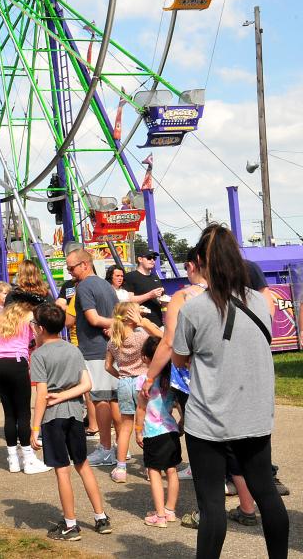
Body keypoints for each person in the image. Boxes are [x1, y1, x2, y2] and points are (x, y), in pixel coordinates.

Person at [171, 224, 288, 558]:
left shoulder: (193, 308)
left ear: (202, 263)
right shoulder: (261, 302)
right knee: (266, 493)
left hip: (208, 421)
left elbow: (179, 357)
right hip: (253, 415)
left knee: (211, 506)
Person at [29, 303, 112, 541]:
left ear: (41, 328)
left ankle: (70, 524)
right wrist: (67, 395)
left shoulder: (40, 355)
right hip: (75, 414)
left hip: (53, 418)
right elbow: (87, 385)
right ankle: (100, 517)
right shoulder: (73, 350)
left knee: (62, 471)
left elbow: (42, 395)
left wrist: (35, 428)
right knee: (82, 464)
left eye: (35, 324)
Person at [0, 293, 50, 475]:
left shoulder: (2, 318)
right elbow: (39, 336)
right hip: (18, 363)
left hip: (0, 363)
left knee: (9, 414)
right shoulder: (29, 317)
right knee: (23, 413)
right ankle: (28, 458)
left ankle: (13, 460)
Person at [67, 249, 119, 466]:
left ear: (85, 264)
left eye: (72, 268)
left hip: (94, 349)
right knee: (114, 399)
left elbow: (93, 318)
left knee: (100, 400)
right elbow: (117, 314)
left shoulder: (85, 286)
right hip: (110, 347)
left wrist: (116, 324)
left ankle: (106, 448)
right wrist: (117, 325)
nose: (70, 273)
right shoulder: (106, 285)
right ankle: (118, 446)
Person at [105, 301, 161, 483]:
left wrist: (121, 374)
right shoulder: (141, 337)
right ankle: (149, 467)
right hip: (142, 381)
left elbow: (107, 366)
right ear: (131, 318)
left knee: (125, 427)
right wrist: (144, 323)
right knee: (147, 425)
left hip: (124, 382)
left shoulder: (113, 340)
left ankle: (121, 468)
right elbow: (161, 337)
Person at [135, 336, 181, 528]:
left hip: (153, 433)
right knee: (172, 471)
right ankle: (170, 510)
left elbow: (141, 408)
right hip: (171, 430)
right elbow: (179, 405)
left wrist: (138, 431)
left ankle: (160, 515)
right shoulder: (171, 379)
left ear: (146, 358)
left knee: (154, 472)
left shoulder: (143, 381)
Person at [122, 251, 166, 327]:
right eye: (149, 258)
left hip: (158, 321)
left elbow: (161, 301)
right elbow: (129, 300)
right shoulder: (131, 276)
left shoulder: (155, 277)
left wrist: (163, 300)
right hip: (140, 323)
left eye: (154, 258)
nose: (152, 260)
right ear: (140, 259)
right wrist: (150, 295)